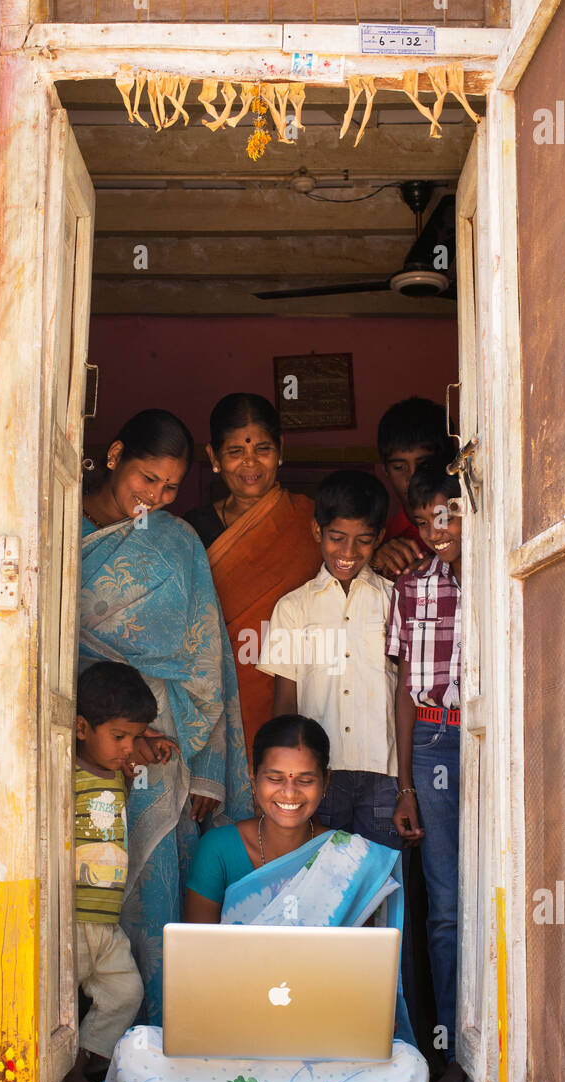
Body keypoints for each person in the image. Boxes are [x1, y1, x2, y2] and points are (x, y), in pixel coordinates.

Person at [87, 716, 428, 1082]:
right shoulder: (218, 847)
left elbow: (360, 982)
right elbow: (197, 967)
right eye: (275, 777)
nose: (289, 792)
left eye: (305, 779)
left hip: (321, 1049)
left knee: (410, 1067)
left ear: (326, 781)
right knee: (135, 1050)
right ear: (253, 777)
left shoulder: (352, 858)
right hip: (228, 1044)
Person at [80, 408, 252, 1024]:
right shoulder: (57, 528)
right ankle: (78, 1047)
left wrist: (208, 768)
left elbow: (209, 662)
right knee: (82, 890)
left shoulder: (178, 543)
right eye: (146, 479)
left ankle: (152, 1034)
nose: (154, 497)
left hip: (165, 748)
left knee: (154, 887)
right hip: (85, 740)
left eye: (170, 488)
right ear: (116, 456)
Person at [257, 469, 400, 851]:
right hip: (318, 775)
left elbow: (406, 693)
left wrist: (408, 786)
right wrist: (284, 772)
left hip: (384, 772)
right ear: (317, 531)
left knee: (381, 880)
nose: (348, 553)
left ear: (379, 539)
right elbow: (285, 701)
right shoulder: (292, 607)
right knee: (319, 879)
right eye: (337, 538)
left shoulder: (396, 599)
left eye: (363, 541)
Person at [386, 459, 466, 1082]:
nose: (437, 531)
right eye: (423, 520)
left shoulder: (508, 578)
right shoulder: (412, 588)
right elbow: (404, 695)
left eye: (449, 514)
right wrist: (406, 785)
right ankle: (449, 1052)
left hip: (501, 740)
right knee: (443, 907)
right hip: (437, 737)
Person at [184, 393, 322, 756]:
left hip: (299, 689)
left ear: (281, 450)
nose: (250, 463)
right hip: (217, 695)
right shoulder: (191, 532)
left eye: (262, 449)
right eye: (234, 452)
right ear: (214, 458)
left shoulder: (312, 521)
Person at [62, 661, 155, 1082]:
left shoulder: (115, 774)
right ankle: (58, 1075)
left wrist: (143, 750)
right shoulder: (64, 774)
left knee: (126, 991)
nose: (128, 747)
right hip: (71, 918)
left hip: (105, 920)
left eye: (134, 737)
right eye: (119, 736)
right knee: (56, 1006)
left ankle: (77, 1064)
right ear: (81, 728)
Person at [371, 396, 455, 581]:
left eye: (424, 464)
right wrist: (374, 563)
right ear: (385, 469)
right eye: (399, 468)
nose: (412, 478)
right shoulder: (384, 539)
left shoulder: (470, 524)